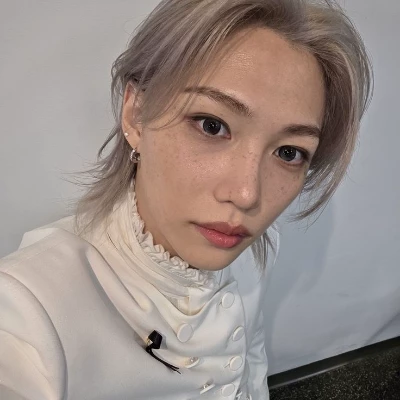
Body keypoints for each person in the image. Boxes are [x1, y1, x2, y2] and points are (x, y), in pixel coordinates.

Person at [0, 0, 373, 399]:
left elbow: (250, 369)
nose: (247, 195)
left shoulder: (252, 250)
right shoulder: (28, 315)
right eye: (212, 126)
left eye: (288, 152)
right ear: (136, 114)